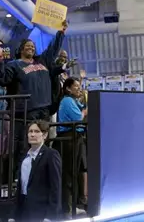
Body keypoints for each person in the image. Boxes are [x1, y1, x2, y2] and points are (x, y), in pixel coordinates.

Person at [0, 21, 68, 161]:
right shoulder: (14, 65)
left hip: (44, 110)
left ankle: (38, 173)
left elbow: (53, 48)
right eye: (27, 46)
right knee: (24, 146)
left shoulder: (42, 61)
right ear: (21, 49)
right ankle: (20, 177)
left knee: (42, 145)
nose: (31, 48)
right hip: (25, 112)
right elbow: (1, 79)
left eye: (33, 46)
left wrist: (60, 33)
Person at [10, 120, 62, 222]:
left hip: (41, 211)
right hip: (23, 211)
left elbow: (55, 187)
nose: (32, 134)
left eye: (37, 131)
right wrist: (13, 215)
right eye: (30, 131)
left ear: (45, 135)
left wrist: (50, 217)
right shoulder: (25, 157)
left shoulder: (51, 155)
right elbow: (21, 188)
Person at [56, 77, 88, 214]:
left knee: (77, 172)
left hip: (76, 138)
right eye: (76, 86)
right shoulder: (67, 101)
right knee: (68, 175)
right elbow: (78, 117)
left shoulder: (74, 100)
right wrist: (85, 111)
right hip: (68, 138)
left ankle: (74, 205)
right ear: (68, 88)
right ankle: (67, 209)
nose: (79, 88)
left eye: (80, 85)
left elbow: (83, 108)